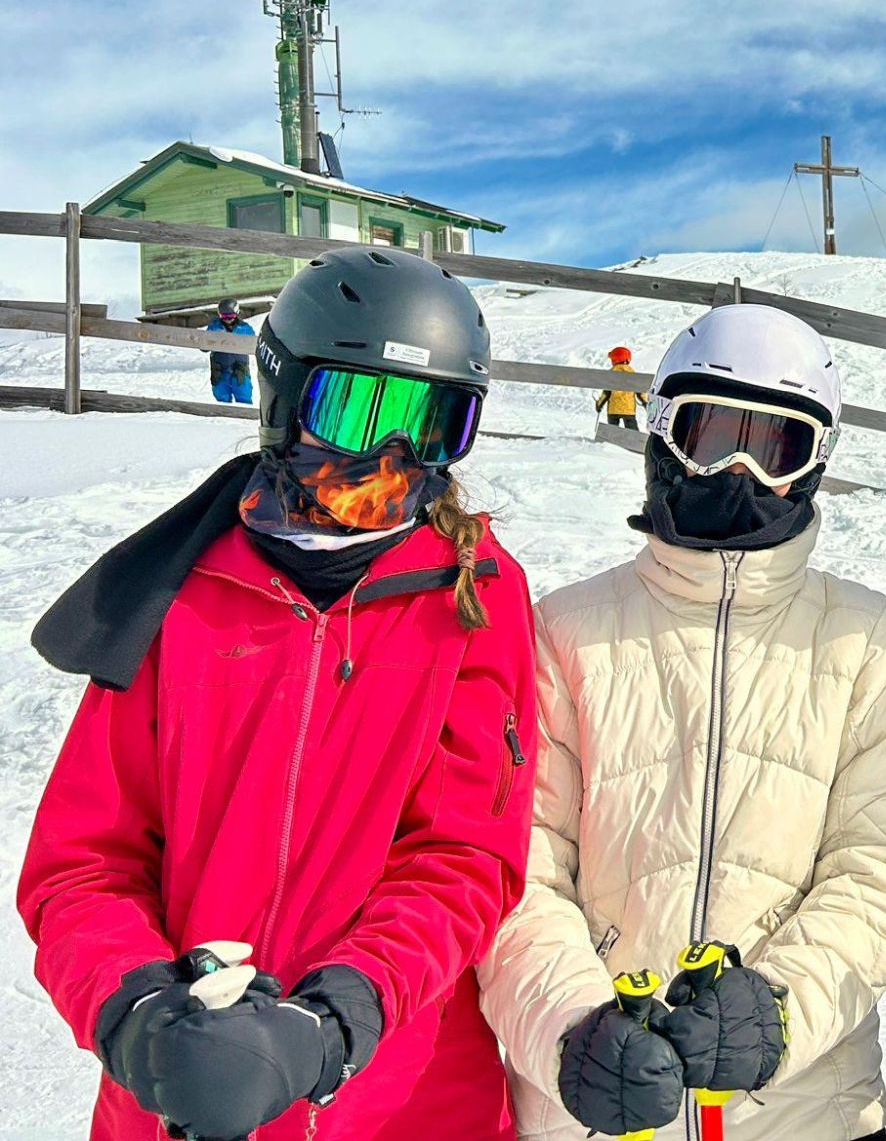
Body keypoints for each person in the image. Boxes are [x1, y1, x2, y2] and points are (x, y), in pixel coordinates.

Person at [18, 246, 538, 1140]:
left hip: (400, 1101)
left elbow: (464, 857)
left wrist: (341, 1018)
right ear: (284, 398)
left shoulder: (474, 596)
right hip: (179, 1088)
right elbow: (85, 860)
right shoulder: (182, 592)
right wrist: (137, 1013)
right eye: (356, 409)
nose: (390, 456)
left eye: (431, 423)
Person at [477, 302, 886, 1141]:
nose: (738, 471)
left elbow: (882, 870)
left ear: (813, 466)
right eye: (711, 435)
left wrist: (778, 1011)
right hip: (599, 1105)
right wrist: (572, 1030)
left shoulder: (859, 638)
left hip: (806, 1115)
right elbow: (518, 870)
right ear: (662, 437)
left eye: (776, 449)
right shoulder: (566, 633)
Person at [207, 296, 254, 404]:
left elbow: (253, 346)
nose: (228, 319)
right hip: (220, 368)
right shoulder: (214, 327)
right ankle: (223, 414)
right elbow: (203, 347)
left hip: (239, 368)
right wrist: (213, 339)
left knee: (244, 394)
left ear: (236, 313)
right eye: (224, 316)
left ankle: (244, 413)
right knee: (221, 396)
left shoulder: (245, 328)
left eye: (231, 316)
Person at [595, 343, 648, 430]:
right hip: (628, 410)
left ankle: (611, 438)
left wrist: (599, 404)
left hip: (613, 410)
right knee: (632, 431)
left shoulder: (611, 374)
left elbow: (606, 393)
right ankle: (633, 438)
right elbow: (640, 392)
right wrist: (646, 403)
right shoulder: (632, 373)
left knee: (612, 431)